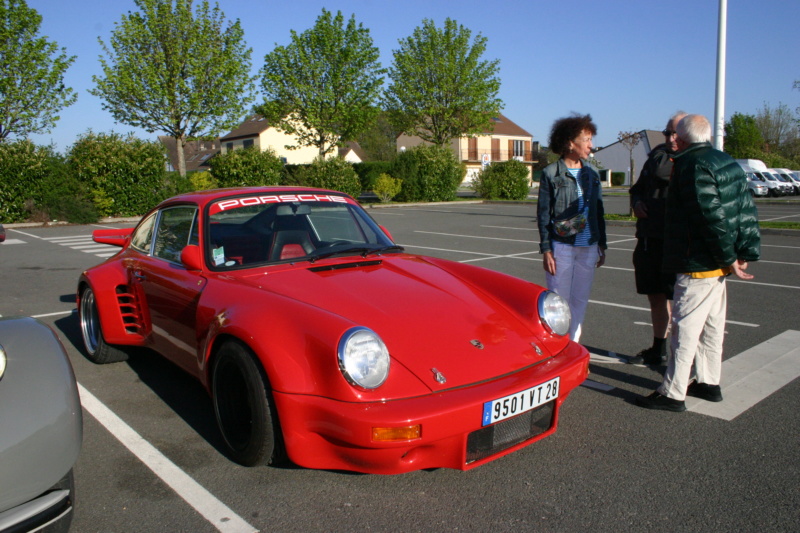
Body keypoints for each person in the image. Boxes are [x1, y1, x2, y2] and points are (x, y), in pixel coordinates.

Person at [636, 114, 760, 411]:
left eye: (675, 133)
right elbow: (745, 208)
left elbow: (709, 215)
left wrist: (729, 257)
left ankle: (673, 392)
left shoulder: (691, 165)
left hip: (698, 262)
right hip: (717, 264)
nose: (671, 138)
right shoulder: (724, 160)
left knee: (685, 329)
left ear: (685, 137)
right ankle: (708, 382)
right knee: (712, 328)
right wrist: (743, 252)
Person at [537, 114, 607, 342]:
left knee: (580, 299)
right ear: (570, 143)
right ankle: (559, 343)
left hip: (588, 246)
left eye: (590, 139)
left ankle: (573, 344)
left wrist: (602, 245)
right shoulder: (551, 173)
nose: (591, 145)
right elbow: (544, 214)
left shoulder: (592, 174)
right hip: (562, 247)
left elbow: (598, 212)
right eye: (586, 139)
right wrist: (546, 249)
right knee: (559, 300)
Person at [627, 111, 687, 365]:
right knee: (656, 296)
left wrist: (663, 155)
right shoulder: (657, 155)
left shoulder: (685, 159)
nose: (670, 138)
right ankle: (658, 348)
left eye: (676, 133)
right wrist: (637, 202)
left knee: (683, 303)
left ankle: (682, 357)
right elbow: (637, 188)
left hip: (677, 242)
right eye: (667, 132)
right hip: (650, 238)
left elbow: (665, 173)